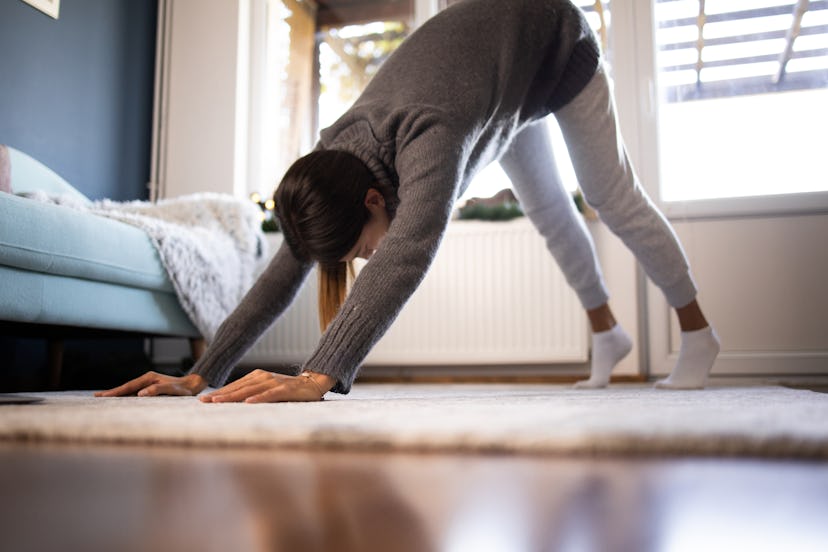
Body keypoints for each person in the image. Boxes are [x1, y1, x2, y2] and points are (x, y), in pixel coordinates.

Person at [97, 0, 720, 403]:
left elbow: (407, 252)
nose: (368, 258)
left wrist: (319, 374)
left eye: (362, 245)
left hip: (555, 46)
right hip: (495, 80)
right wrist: (204, 371)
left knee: (611, 196)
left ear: (374, 199)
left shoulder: (430, 136)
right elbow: (284, 270)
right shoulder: (331, 163)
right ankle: (608, 336)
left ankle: (698, 334)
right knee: (550, 213)